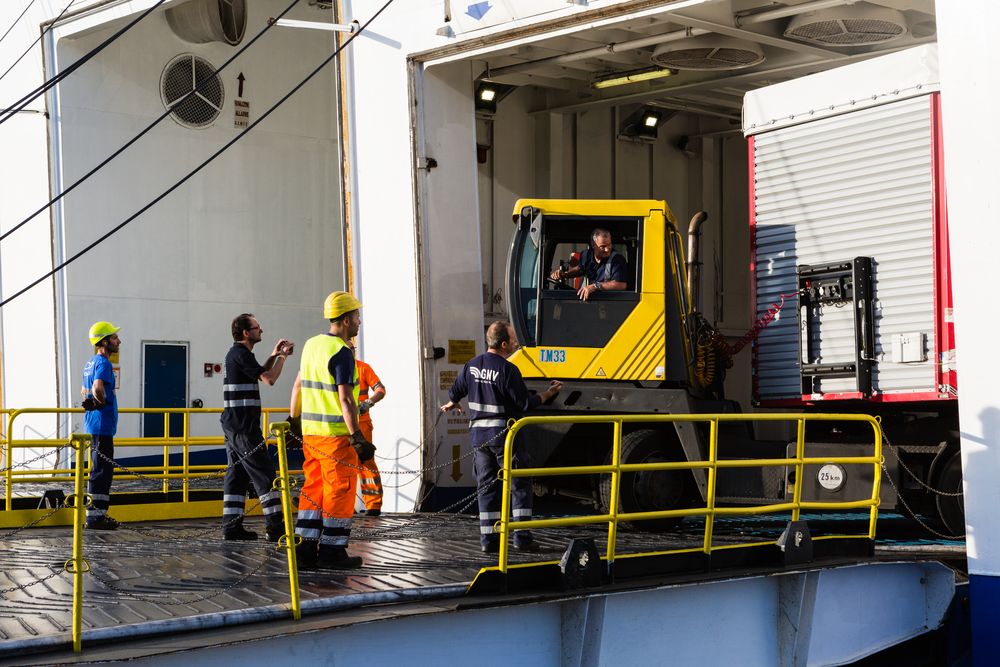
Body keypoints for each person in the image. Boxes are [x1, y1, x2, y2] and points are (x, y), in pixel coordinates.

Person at [441, 321, 562, 553]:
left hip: (479, 437)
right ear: (504, 344)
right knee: (519, 483)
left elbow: (456, 391)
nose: (516, 343)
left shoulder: (471, 366)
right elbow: (525, 403)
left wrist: (452, 403)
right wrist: (549, 393)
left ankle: (489, 541)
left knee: (486, 487)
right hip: (503, 436)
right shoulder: (507, 370)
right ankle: (522, 538)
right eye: (514, 339)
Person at [290, 291, 374, 569]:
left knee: (313, 490)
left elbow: (299, 385)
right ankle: (332, 551)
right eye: (357, 317)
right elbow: (346, 399)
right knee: (340, 490)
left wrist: (294, 420)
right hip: (336, 438)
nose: (360, 322)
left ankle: (304, 549)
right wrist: (357, 436)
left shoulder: (311, 345)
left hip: (311, 435)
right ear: (347, 319)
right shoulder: (342, 351)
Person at [220, 314, 295, 541]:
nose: (261, 330)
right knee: (265, 475)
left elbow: (258, 371)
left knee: (237, 475)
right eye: (257, 327)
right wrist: (283, 357)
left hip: (234, 425)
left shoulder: (239, 355)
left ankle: (231, 528)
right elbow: (269, 379)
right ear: (246, 332)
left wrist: (273, 355)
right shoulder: (241, 354)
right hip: (244, 428)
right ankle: (275, 528)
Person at [80, 322, 122, 530]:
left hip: (93, 425)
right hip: (102, 424)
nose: (118, 341)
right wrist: (100, 402)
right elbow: (97, 387)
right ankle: (96, 517)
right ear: (104, 342)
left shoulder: (90, 363)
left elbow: (83, 391)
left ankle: (96, 514)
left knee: (98, 469)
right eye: (114, 338)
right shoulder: (104, 364)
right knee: (102, 471)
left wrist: (93, 401)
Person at [348, 340, 386, 517]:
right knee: (343, 464)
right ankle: (345, 504)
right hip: (341, 425)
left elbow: (380, 389)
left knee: (366, 462)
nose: (351, 352)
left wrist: (369, 402)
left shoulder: (363, 368)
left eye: (352, 348)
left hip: (361, 423)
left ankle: (374, 505)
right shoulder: (335, 368)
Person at [550, 227, 628, 301]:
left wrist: (595, 286)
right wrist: (564, 274)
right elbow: (580, 269)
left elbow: (621, 285)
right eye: (603, 246)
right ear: (593, 244)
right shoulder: (586, 255)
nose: (607, 249)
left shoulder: (617, 259)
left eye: (609, 244)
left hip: (610, 302)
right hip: (593, 302)